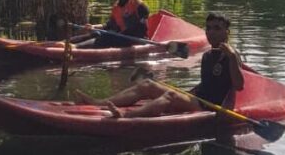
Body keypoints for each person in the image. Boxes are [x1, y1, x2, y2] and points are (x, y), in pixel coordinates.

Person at [73, 12, 245, 118]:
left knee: (170, 95)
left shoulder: (232, 55)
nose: (211, 32)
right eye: (209, 28)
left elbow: (239, 85)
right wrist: (187, 93)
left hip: (209, 106)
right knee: (147, 84)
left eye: (217, 28)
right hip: (197, 98)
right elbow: (207, 84)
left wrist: (231, 57)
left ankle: (126, 116)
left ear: (226, 32)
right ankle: (99, 102)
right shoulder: (208, 55)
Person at [71, 0, 149, 48]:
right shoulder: (117, 6)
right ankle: (67, 43)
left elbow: (146, 12)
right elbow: (109, 25)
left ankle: (75, 47)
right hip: (123, 36)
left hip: (135, 39)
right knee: (96, 33)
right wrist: (93, 26)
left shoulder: (135, 2)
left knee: (107, 37)